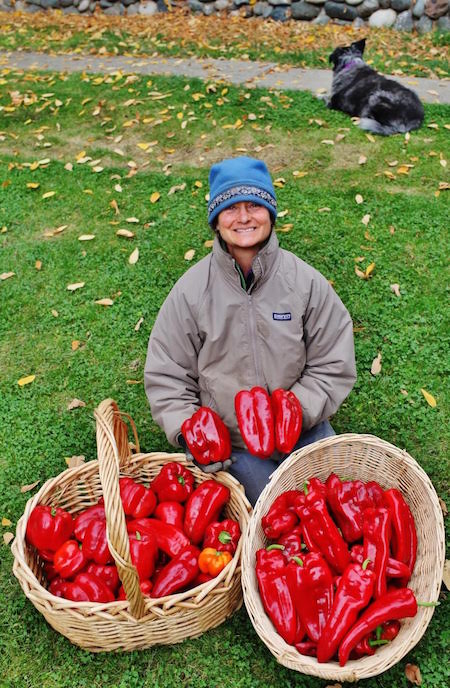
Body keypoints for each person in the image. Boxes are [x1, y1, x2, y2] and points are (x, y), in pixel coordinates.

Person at [144, 157, 356, 505]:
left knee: (336, 506)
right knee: (272, 515)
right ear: (216, 220)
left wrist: (296, 411)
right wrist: (191, 433)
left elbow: (333, 360)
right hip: (234, 445)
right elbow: (167, 374)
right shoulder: (191, 292)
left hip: (303, 428)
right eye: (230, 208)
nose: (243, 217)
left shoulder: (304, 283)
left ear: (271, 213)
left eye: (255, 205)